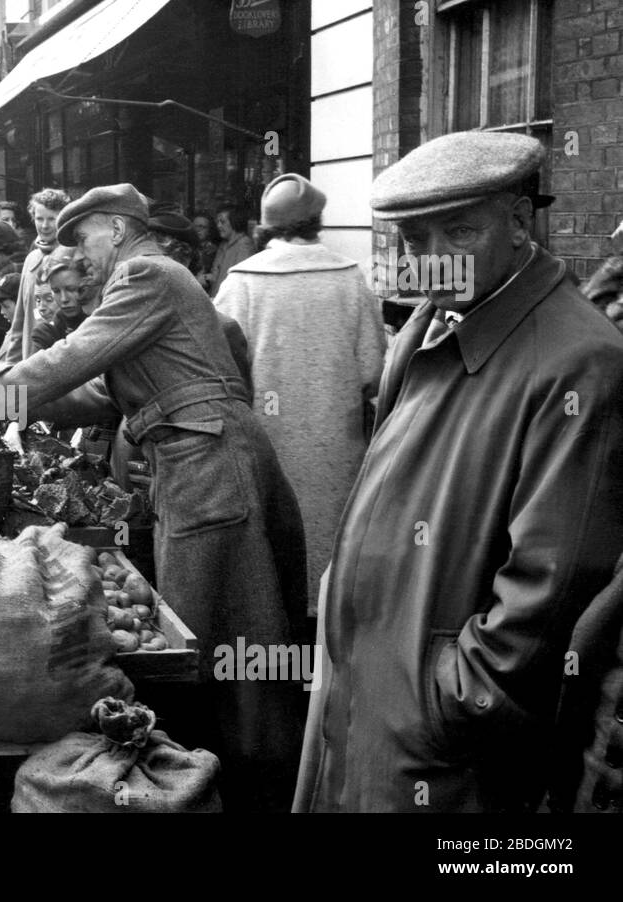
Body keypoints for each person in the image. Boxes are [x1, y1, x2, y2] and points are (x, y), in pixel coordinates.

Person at [294, 132, 623, 813]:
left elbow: (551, 588)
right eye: (416, 239)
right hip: (379, 710)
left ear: (518, 221)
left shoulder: (579, 360)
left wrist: (450, 702)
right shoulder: (432, 325)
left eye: (461, 230)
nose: (434, 259)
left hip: (440, 749)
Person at [0, 185, 309, 811]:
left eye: (83, 238)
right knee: (237, 619)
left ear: (117, 228)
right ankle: (234, 767)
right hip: (208, 459)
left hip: (206, 465)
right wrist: (6, 387)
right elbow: (96, 394)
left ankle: (231, 776)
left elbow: (71, 358)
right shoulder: (164, 287)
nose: (80, 254)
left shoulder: (147, 271)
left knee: (212, 628)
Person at [214, 174, 386, 618]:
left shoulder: (241, 283)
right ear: (317, 223)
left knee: (276, 557)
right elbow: (372, 372)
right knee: (331, 556)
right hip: (339, 450)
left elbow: (222, 375)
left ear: (266, 228)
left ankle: (281, 651)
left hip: (270, 449)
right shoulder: (350, 278)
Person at [0, 188, 71, 363]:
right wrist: (10, 365)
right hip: (29, 357)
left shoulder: (73, 256)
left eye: (52, 219)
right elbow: (19, 320)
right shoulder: (31, 259)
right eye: (39, 218)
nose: (44, 225)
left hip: (60, 359)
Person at [30, 256, 87, 353]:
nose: (64, 299)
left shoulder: (103, 320)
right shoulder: (46, 333)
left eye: (71, 289)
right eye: (56, 291)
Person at [207, 204, 256, 298]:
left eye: (222, 222)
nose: (218, 226)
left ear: (234, 222)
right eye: (217, 222)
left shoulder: (244, 245)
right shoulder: (223, 244)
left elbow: (240, 282)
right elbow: (215, 275)